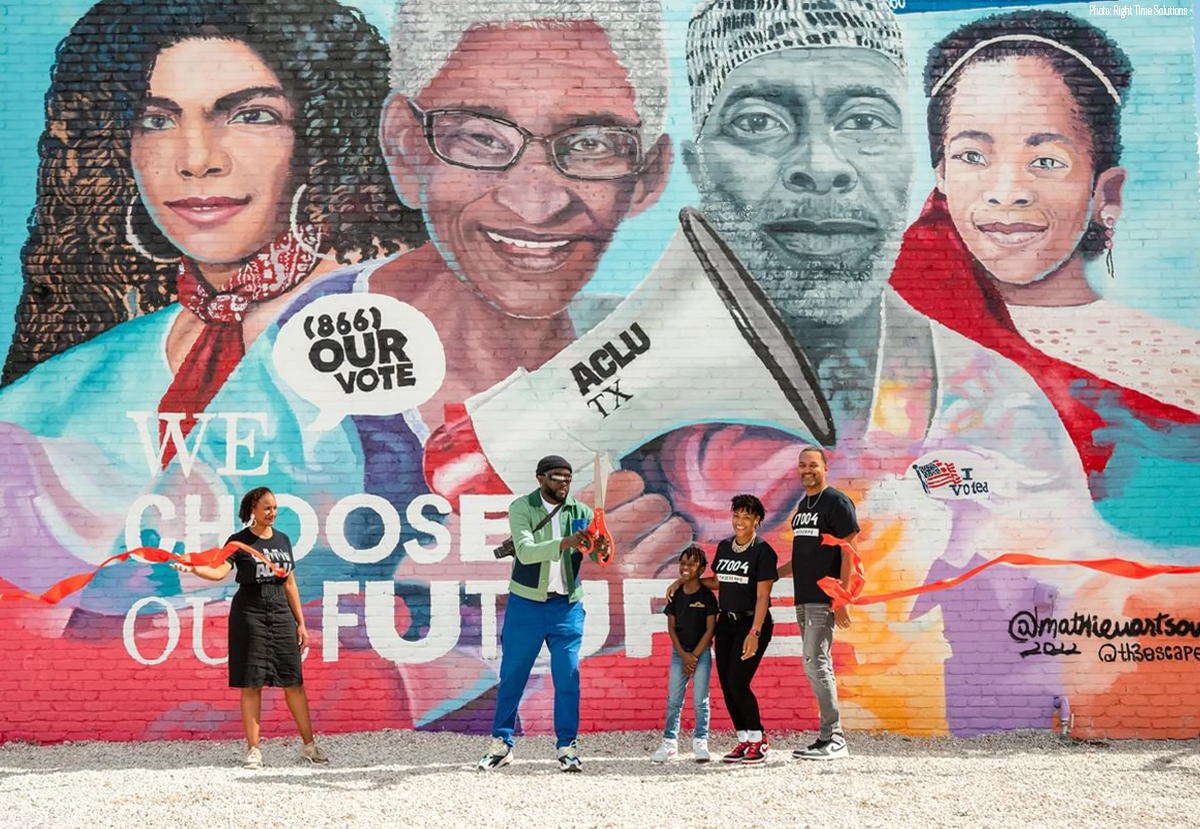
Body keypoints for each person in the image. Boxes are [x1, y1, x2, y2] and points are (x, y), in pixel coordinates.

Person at [628, 0, 1120, 738]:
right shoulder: (609, 389)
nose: (822, 168)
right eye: (758, 121)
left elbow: (1064, 658)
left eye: (864, 121)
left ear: (913, 168)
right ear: (698, 169)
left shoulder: (1000, 414)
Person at [2, 0, 420, 391]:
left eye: (252, 116)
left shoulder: (394, 329)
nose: (198, 160)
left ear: (323, 136)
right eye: (155, 121)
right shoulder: (62, 388)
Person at [890, 9, 1200, 502]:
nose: (1007, 191)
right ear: (941, 175)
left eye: (1047, 161)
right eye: (972, 156)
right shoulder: (890, 327)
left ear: (1106, 193)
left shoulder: (1176, 361)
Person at [171, 487, 327, 768]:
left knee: (293, 681)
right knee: (252, 682)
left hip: (281, 613)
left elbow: (290, 583)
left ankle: (309, 746)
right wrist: (193, 568)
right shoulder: (239, 541)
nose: (272, 513)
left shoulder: (283, 540)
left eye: (275, 508)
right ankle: (254, 750)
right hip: (249, 612)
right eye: (267, 508)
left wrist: (301, 623)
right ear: (253, 509)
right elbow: (219, 571)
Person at [477, 455, 609, 772]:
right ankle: (502, 744)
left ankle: (567, 747)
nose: (564, 482)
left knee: (568, 679)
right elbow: (525, 552)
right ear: (540, 478)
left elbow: (597, 553)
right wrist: (565, 542)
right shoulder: (522, 508)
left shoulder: (581, 512)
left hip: (567, 607)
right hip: (526, 605)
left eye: (568, 477)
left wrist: (602, 547)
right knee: (513, 676)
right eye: (556, 476)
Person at [669, 494, 777, 764]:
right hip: (726, 624)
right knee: (728, 685)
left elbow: (763, 596)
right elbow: (718, 582)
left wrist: (755, 633)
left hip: (751, 623)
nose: (740, 522)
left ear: (757, 521)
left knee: (739, 682)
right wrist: (683, 582)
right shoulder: (725, 547)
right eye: (737, 516)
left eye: (746, 517)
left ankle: (759, 740)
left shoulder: (763, 551)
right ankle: (744, 740)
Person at [776, 447, 857, 760]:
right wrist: (772, 575)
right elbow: (803, 556)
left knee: (815, 662)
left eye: (813, 465)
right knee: (817, 662)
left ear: (825, 467)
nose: (807, 470)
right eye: (802, 465)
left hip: (824, 597)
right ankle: (826, 738)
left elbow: (850, 553)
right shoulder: (803, 506)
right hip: (803, 596)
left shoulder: (837, 502)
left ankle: (835, 738)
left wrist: (842, 598)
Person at [651, 544, 717, 764]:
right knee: (674, 700)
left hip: (702, 654)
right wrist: (684, 655)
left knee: (700, 701)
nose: (686, 567)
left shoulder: (707, 597)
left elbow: (710, 629)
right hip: (679, 654)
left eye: (692, 564)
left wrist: (694, 657)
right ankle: (669, 744)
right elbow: (671, 627)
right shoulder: (675, 594)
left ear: (701, 569)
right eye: (683, 563)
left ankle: (700, 742)